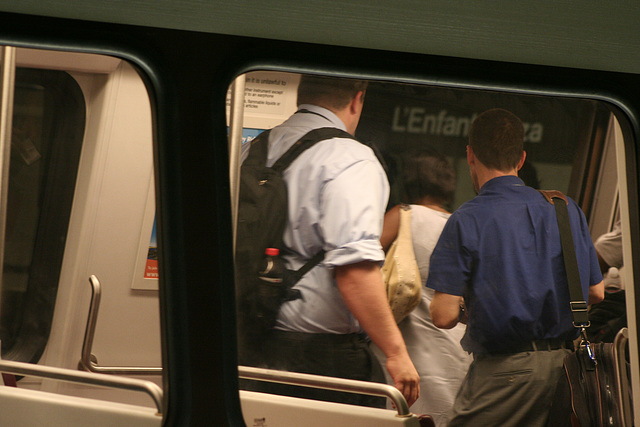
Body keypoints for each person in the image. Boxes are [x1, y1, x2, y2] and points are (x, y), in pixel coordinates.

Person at [243, 75, 419, 407]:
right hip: (321, 359)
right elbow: (353, 271)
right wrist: (396, 352)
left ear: (301, 94)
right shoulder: (351, 159)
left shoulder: (250, 150)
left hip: (249, 338)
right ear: (357, 99)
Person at [427, 108, 604, 427]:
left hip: (504, 375)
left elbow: (443, 315)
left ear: (470, 155)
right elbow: (596, 292)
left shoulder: (466, 219)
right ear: (521, 158)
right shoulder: (564, 210)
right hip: (566, 370)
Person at [372, 149, 471, 426]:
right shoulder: (460, 224)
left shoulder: (404, 215)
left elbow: (360, 261)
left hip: (406, 350)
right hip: (453, 348)